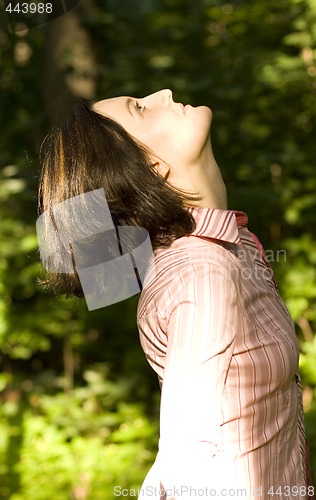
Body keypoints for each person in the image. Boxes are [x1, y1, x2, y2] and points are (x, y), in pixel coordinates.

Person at [38, 89, 314, 499]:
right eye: (141, 108)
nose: (163, 93)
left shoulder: (234, 243)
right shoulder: (201, 270)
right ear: (151, 167)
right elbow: (190, 457)